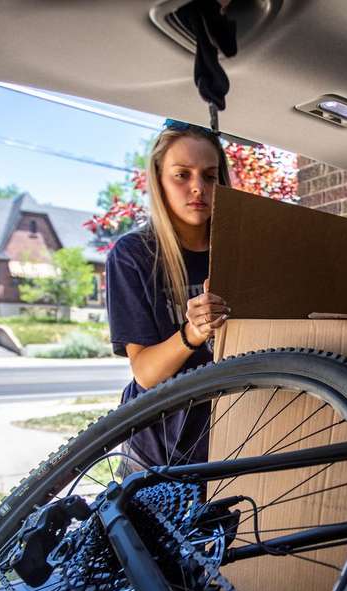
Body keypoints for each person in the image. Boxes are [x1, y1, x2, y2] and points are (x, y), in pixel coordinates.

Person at [105, 121, 232, 469]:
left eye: (209, 176)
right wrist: (193, 332)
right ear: (159, 180)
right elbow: (145, 372)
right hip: (156, 443)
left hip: (234, 429)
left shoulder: (240, 249)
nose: (198, 188)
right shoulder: (132, 255)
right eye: (182, 175)